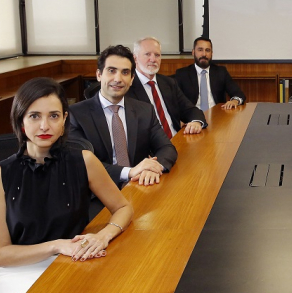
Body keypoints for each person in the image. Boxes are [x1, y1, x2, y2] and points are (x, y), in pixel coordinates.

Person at [0, 77, 133, 293]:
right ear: (20, 120)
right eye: (34, 116)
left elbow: (123, 207)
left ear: (65, 120)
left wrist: (105, 235)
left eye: (53, 116)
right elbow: (1, 254)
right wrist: (55, 246)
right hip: (16, 270)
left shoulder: (83, 160)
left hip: (72, 264)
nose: (44, 126)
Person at [69, 45, 178, 187]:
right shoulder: (76, 114)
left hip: (141, 185)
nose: (118, 79)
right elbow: (80, 163)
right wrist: (129, 172)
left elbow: (167, 148)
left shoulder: (145, 110)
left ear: (132, 79)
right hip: (97, 191)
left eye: (125, 72)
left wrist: (155, 167)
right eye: (111, 71)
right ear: (99, 75)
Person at [127, 37, 206, 136]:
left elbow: (190, 109)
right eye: (147, 54)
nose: (153, 59)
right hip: (151, 148)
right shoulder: (127, 86)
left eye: (157, 55)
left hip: (178, 140)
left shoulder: (169, 83)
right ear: (135, 58)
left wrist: (196, 122)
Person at [174, 37, 246, 111]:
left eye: (207, 50)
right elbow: (175, 101)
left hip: (217, 115)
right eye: (200, 50)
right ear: (193, 52)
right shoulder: (182, 74)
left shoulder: (220, 72)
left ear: (212, 53)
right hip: (192, 117)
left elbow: (238, 93)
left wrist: (234, 101)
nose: (204, 54)